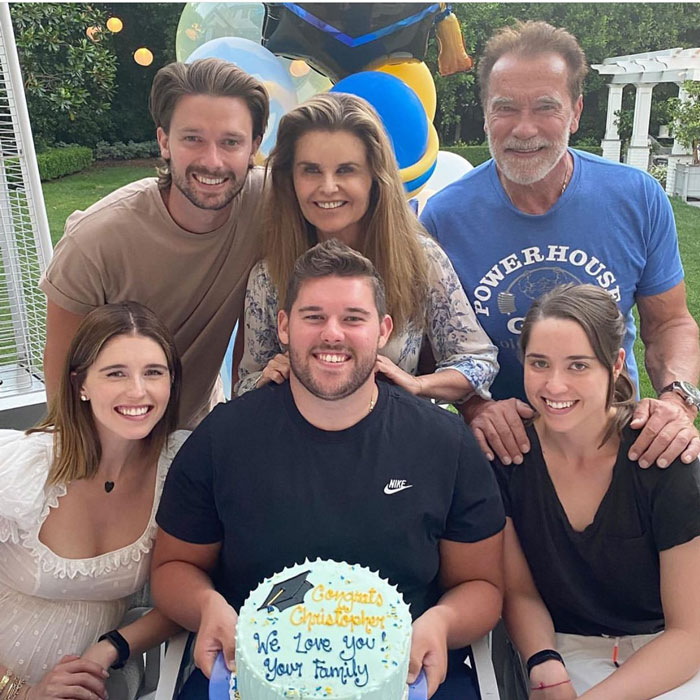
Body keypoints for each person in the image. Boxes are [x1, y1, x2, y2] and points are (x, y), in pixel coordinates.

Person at [153, 240, 506, 700]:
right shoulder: (223, 438)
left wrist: (442, 622)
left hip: (409, 675)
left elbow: (481, 585)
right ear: (284, 327)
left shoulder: (445, 443)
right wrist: (206, 606)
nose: (332, 335)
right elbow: (173, 566)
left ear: (383, 330)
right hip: (250, 674)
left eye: (353, 319)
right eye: (314, 317)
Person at [420, 20, 700, 470]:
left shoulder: (636, 197)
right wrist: (475, 406)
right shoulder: (444, 218)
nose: (524, 128)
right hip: (505, 452)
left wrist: (677, 402)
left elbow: (669, 324)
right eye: (505, 108)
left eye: (545, 107)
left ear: (575, 112)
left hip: (614, 444)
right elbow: (433, 346)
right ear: (486, 113)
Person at [495, 284, 700, 699]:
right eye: (539, 363)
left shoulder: (663, 458)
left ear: (616, 364)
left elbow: (688, 634)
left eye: (578, 366)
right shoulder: (507, 457)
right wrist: (545, 664)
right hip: (558, 644)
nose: (555, 385)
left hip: (664, 650)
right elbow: (519, 591)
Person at [41, 58, 269, 429]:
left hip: (196, 431)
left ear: (254, 146)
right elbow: (61, 395)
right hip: (110, 439)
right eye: (192, 139)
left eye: (231, 142)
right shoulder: (95, 242)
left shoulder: (267, 202)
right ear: (164, 141)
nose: (212, 161)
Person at [235, 91, 498, 404]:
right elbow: (245, 383)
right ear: (289, 178)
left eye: (346, 170)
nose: (328, 187)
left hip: (393, 429)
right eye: (311, 170)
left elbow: (477, 360)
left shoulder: (420, 260)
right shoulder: (269, 274)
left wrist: (416, 385)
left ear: (375, 176)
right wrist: (265, 379)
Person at [0, 302, 190, 700]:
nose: (137, 390)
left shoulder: (180, 469)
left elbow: (186, 594)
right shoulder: (21, 469)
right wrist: (21, 692)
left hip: (91, 684)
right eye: (115, 373)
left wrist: (110, 648)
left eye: (153, 372)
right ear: (81, 384)